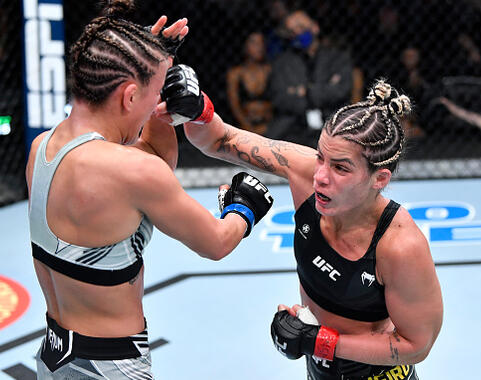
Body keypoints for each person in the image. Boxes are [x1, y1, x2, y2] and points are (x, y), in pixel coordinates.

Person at [25, 2, 273, 379]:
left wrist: (154, 67)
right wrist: (245, 207)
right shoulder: (131, 172)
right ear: (127, 96)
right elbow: (217, 242)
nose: (156, 107)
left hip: (54, 356)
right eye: (154, 96)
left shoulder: (42, 148)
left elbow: (150, 161)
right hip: (110, 365)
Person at [158, 75, 442, 379]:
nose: (320, 176)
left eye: (341, 167)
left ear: (380, 179)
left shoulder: (400, 246)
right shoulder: (306, 174)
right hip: (319, 368)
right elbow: (220, 140)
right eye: (321, 157)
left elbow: (417, 344)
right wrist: (197, 110)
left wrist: (319, 341)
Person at [267, 9, 352, 147]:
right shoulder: (281, 63)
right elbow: (280, 98)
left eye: (301, 27)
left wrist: (304, 92)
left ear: (315, 27)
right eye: (292, 31)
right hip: (293, 127)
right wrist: (323, 89)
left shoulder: (337, 58)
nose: (297, 33)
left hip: (332, 122)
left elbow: (341, 91)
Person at [226, 31, 273, 135]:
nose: (259, 47)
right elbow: (234, 105)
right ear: (245, 46)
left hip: (270, 126)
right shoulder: (235, 74)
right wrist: (247, 126)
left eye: (261, 43)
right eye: (254, 43)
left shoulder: (270, 70)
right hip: (245, 126)